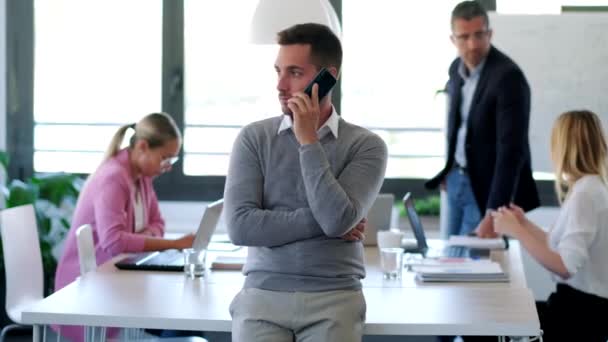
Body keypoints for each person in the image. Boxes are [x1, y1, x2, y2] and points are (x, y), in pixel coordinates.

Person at [224, 23, 387, 342]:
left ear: (328, 76)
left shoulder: (366, 146)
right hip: (262, 295)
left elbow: (338, 218)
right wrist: (330, 222)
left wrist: (308, 141)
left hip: (335, 298)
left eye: (295, 73)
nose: (281, 85)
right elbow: (240, 227)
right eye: (278, 72)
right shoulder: (254, 139)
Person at [54, 112, 195, 341]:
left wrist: (138, 237)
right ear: (142, 147)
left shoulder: (143, 176)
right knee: (179, 312)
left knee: (181, 309)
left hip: (118, 275)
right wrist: (174, 244)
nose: (168, 166)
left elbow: (158, 223)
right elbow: (115, 242)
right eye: (165, 158)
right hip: (89, 285)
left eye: (172, 160)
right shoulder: (113, 178)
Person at [425, 1, 539, 238]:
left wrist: (493, 212)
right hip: (456, 179)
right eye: (464, 37)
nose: (473, 44)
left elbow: (512, 150)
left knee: (472, 266)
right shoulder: (455, 69)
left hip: (486, 188)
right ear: (452, 40)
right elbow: (456, 126)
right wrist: (450, 168)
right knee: (448, 259)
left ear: (490, 33)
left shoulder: (508, 77)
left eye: (479, 35)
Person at [492, 110, 608, 342]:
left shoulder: (585, 195)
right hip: (579, 307)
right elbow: (559, 244)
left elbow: (565, 265)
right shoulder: (589, 188)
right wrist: (524, 224)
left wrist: (516, 231)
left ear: (564, 147)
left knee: (494, 322)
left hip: (580, 313)